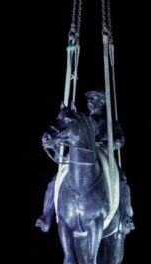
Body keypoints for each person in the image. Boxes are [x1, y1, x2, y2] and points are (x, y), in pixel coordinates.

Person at [36, 90, 135, 232]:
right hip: (80, 153)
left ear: (101, 104)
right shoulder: (82, 119)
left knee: (122, 178)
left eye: (93, 100)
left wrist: (105, 139)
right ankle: (46, 216)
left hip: (102, 151)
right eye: (89, 101)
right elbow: (70, 134)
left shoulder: (109, 122)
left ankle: (125, 217)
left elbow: (120, 140)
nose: (90, 103)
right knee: (55, 179)